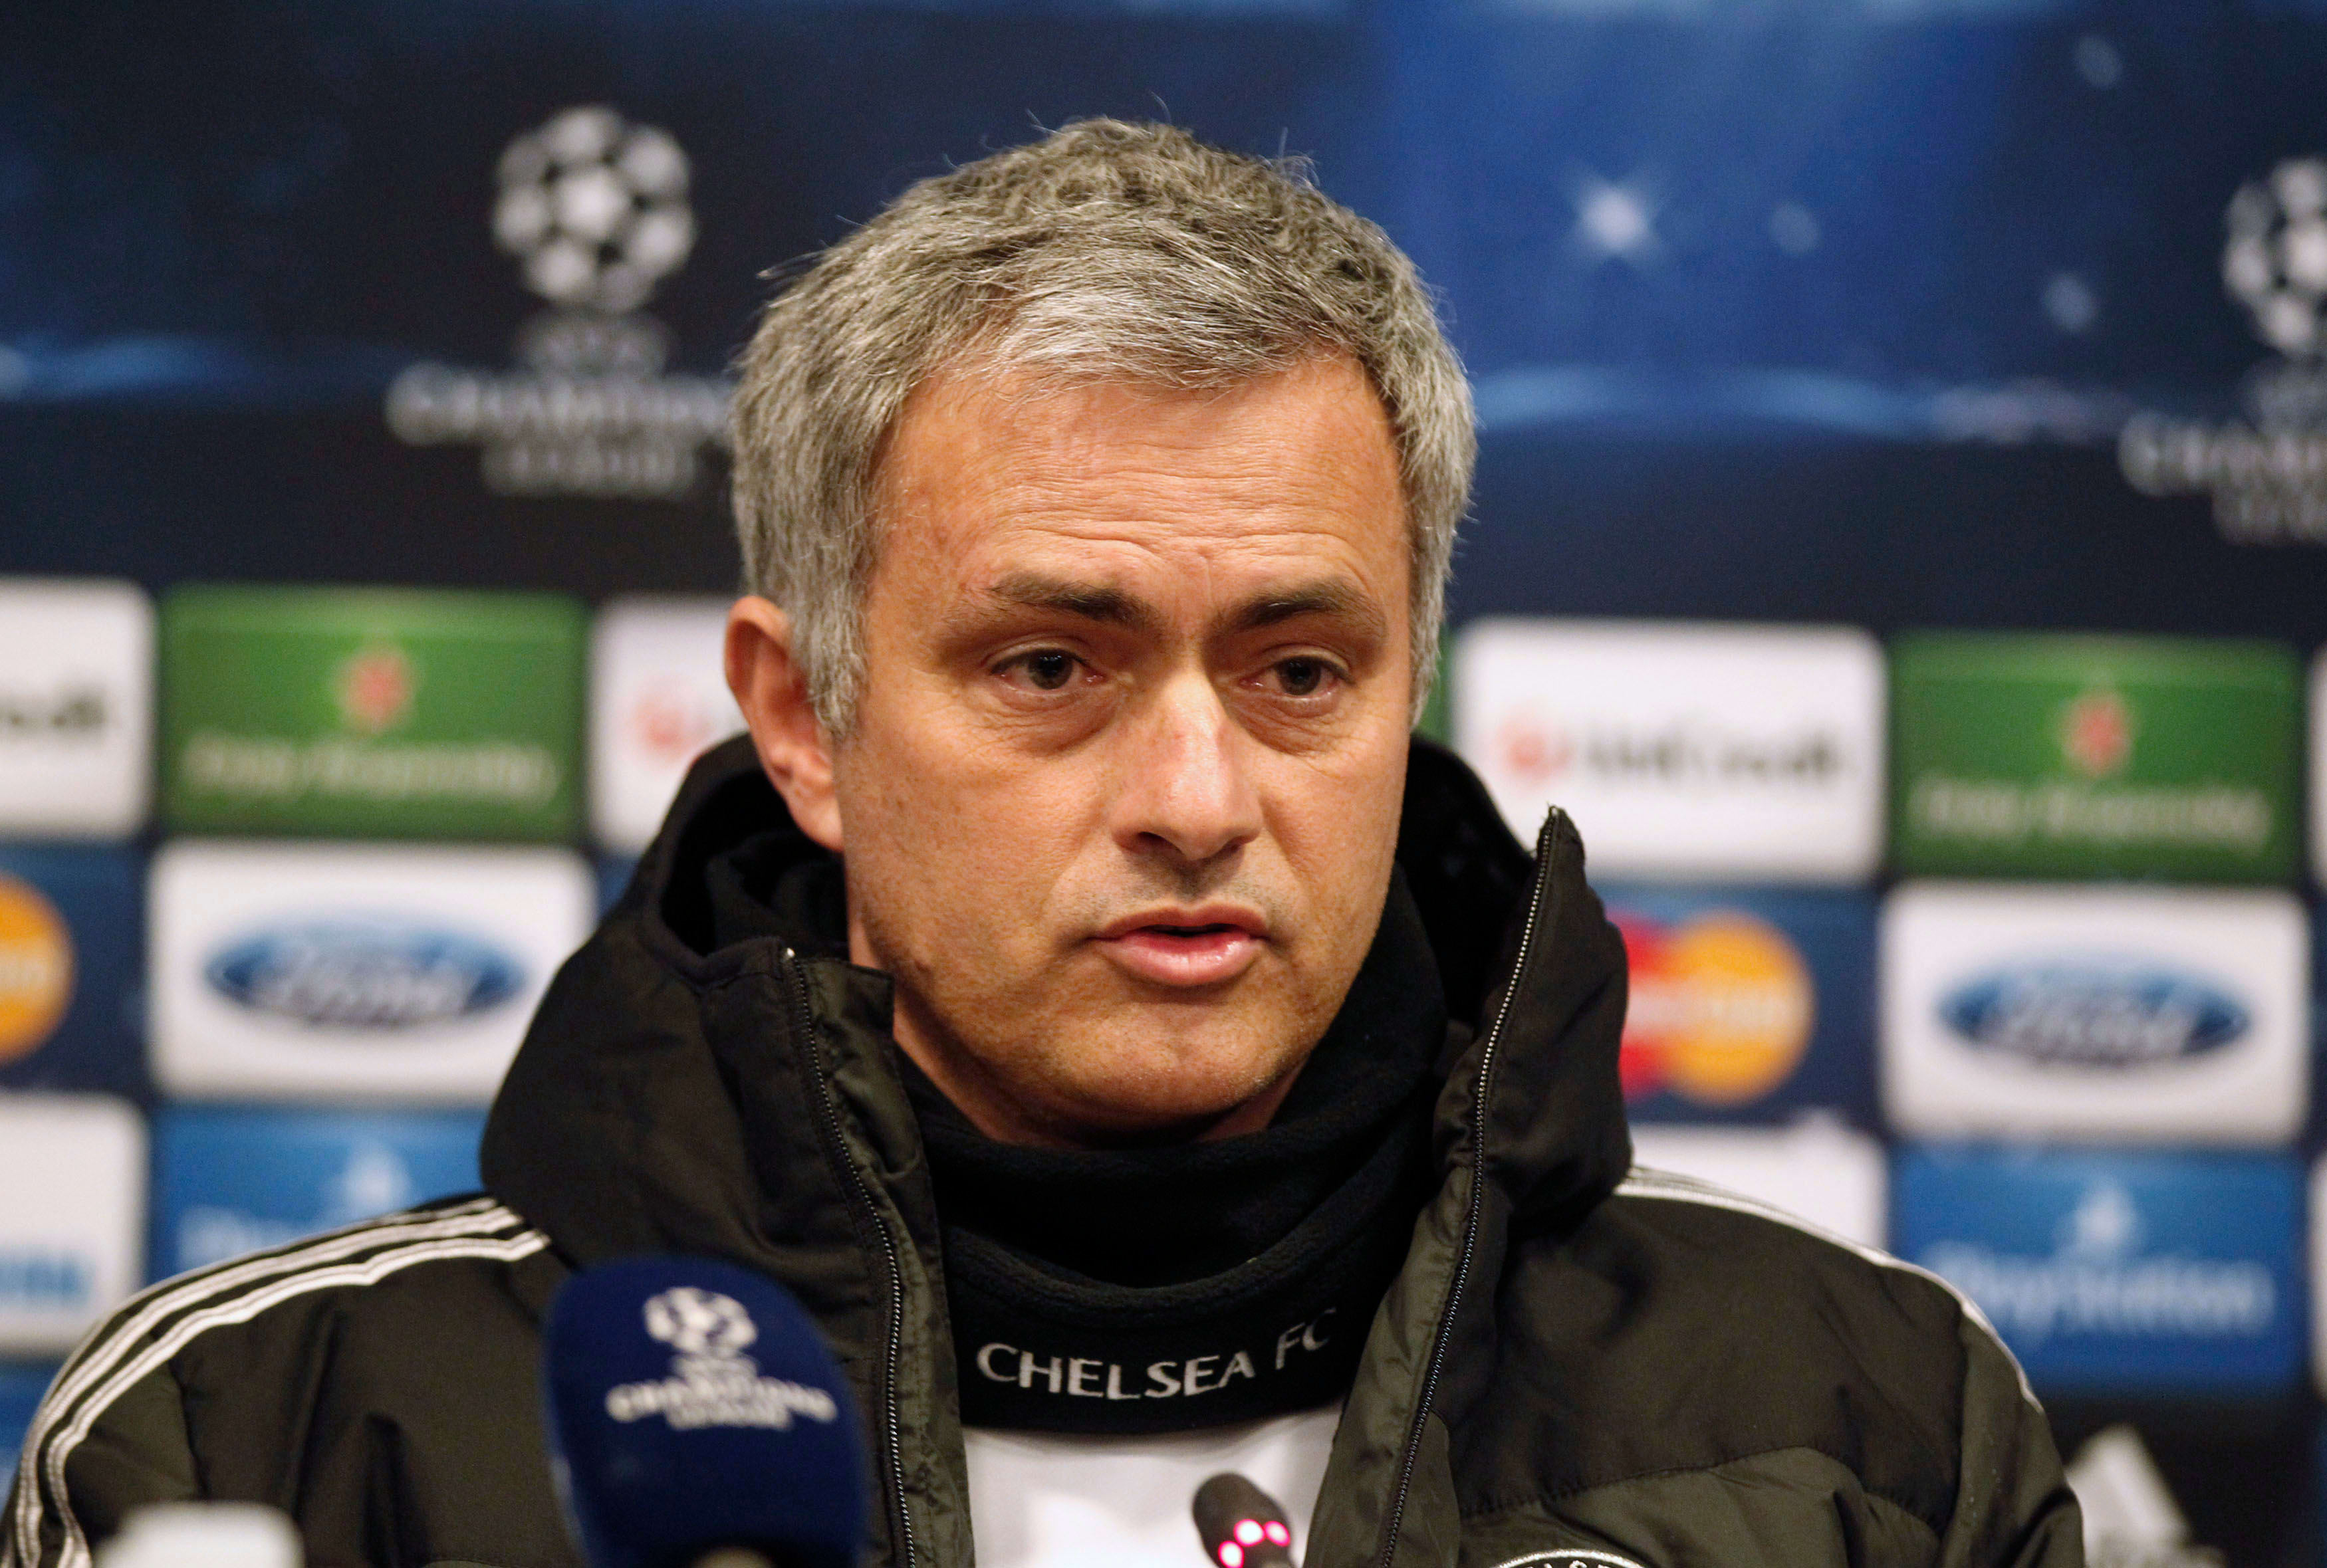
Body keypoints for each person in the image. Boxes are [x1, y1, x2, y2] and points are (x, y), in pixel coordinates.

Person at [4, 119, 2081, 1568]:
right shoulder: (266, 1436)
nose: (1195, 798)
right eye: (1047, 667)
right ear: (802, 722)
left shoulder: (1864, 1419)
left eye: (1297, 671)